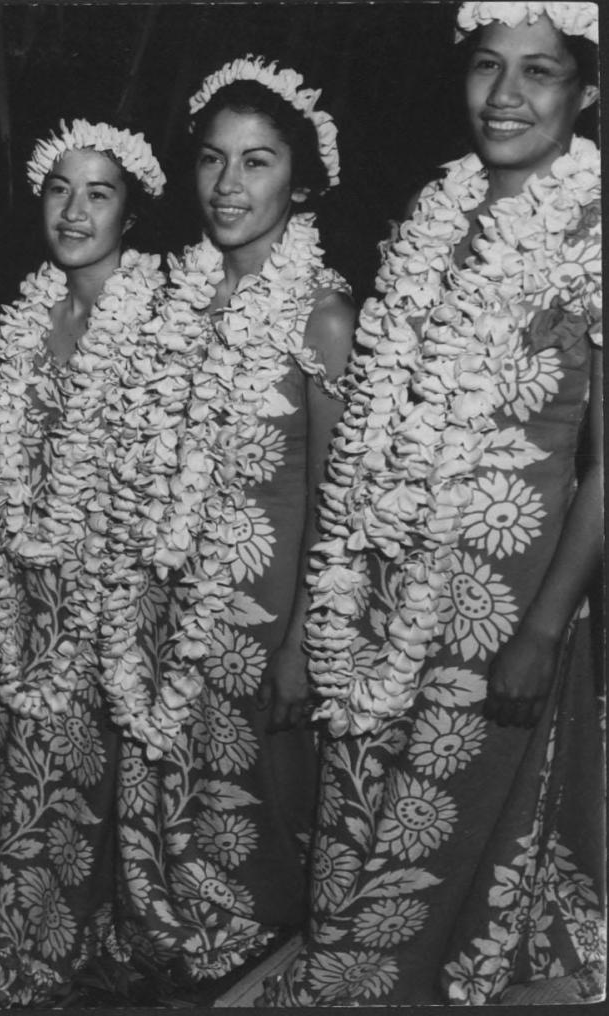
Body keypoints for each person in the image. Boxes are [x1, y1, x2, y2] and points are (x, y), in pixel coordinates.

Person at [268, 2, 603, 1004]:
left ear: (585, 90)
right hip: (392, 567)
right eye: (488, 67)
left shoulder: (597, 222)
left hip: (512, 575)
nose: (506, 95)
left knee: (453, 809)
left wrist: (545, 623)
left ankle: (393, 976)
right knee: (373, 799)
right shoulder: (439, 208)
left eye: (538, 72)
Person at [109, 58, 355, 981]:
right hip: (169, 599)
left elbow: (339, 498)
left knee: (263, 794)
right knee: (178, 776)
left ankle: (263, 953)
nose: (228, 185)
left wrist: (302, 641)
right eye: (214, 160)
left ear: (303, 177)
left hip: (266, 608)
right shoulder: (171, 304)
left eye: (256, 162)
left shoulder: (325, 317)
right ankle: (178, 932)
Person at [0, 121, 169, 1005]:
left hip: (121, 589)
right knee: (24, 758)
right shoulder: (29, 316)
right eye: (58, 190)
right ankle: (15, 931)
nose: (74, 211)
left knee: (93, 767)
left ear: (131, 212)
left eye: (99, 193)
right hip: (29, 583)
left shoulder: (161, 314)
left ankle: (83, 941)